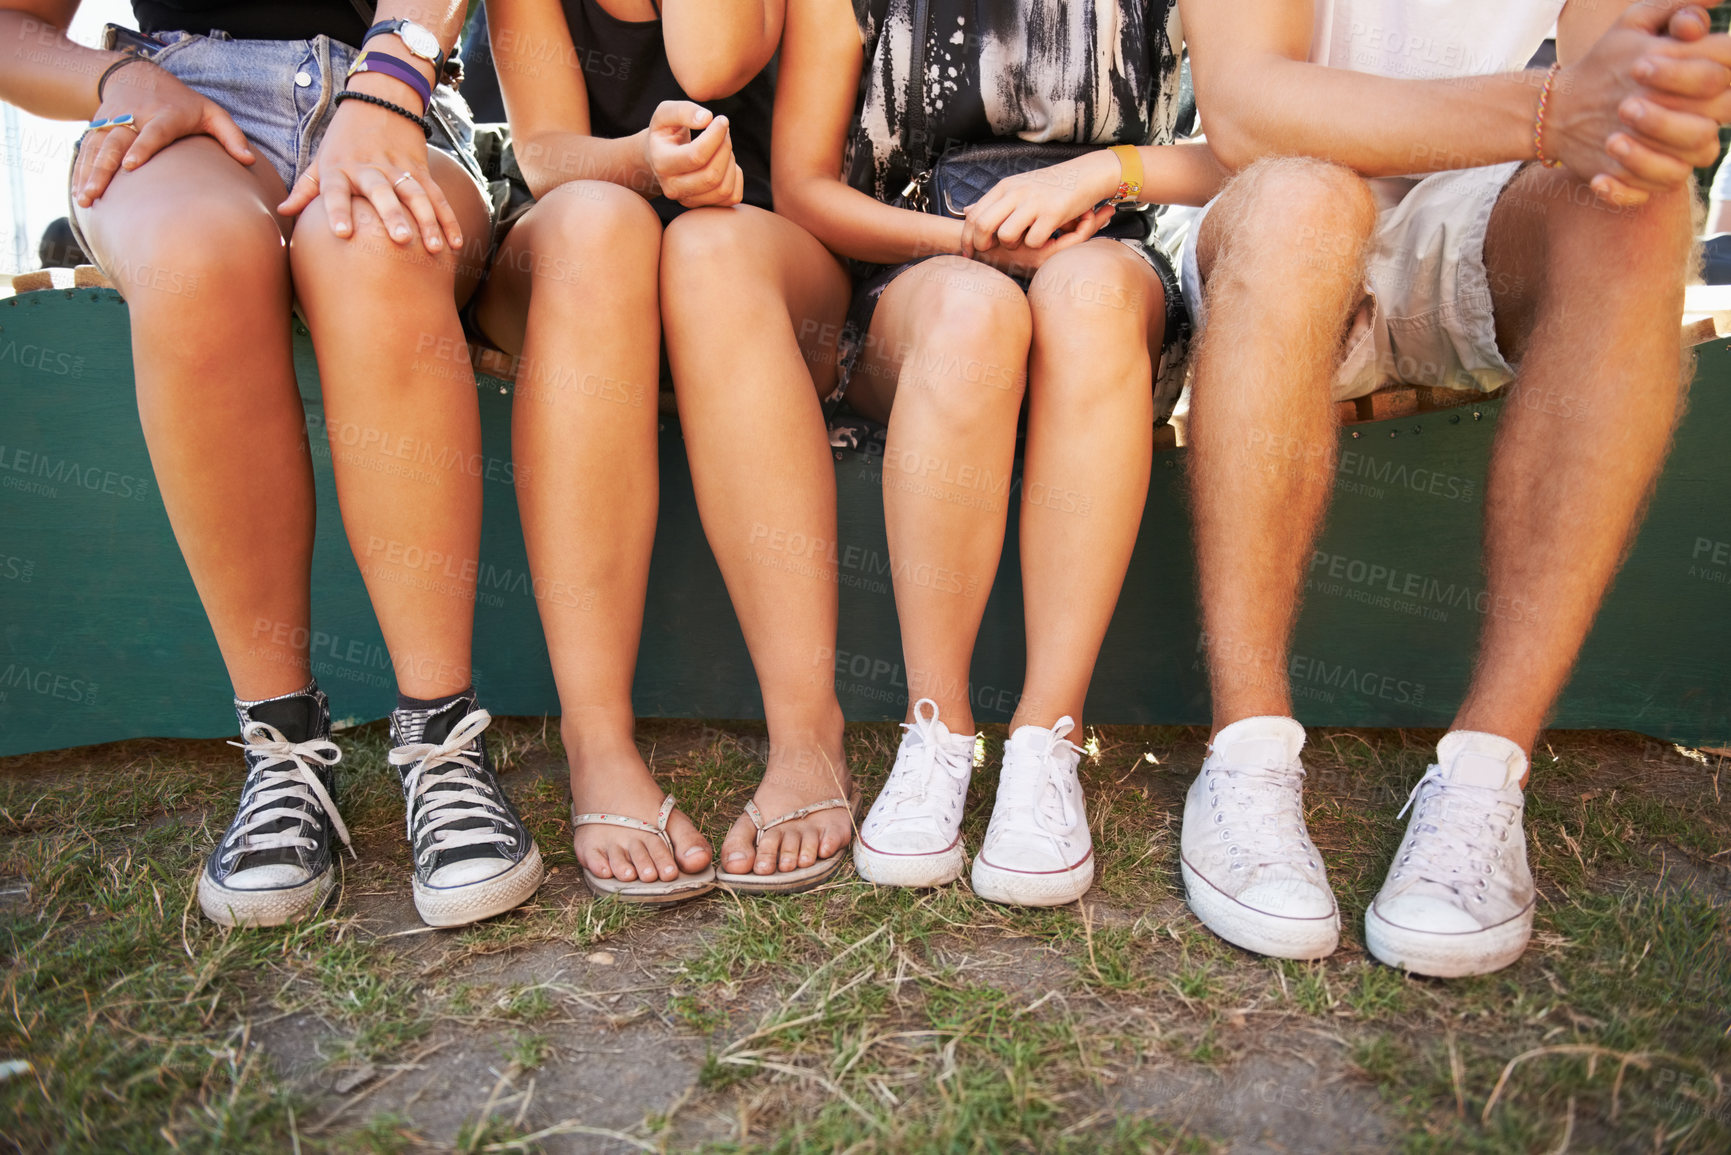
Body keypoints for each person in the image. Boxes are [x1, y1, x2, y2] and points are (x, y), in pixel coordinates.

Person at [1174, 0, 1731, 975]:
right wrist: (1555, 107)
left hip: (1477, 205)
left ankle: (1483, 780)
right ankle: (1247, 754)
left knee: (1640, 202)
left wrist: (1654, 102)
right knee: (1303, 199)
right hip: (1271, 199)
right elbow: (1246, 105)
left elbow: (1616, 112)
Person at [0, 0, 544, 928]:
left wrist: (394, 77)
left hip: (395, 88)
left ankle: (441, 739)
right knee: (194, 262)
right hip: (180, 107)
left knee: (375, 241)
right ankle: (280, 743)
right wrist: (114, 79)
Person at [664, 0, 1221, 903]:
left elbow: (1243, 144)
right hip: (916, 265)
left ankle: (1047, 738)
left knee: (1090, 304)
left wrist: (1094, 178)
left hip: (1104, 254)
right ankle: (936, 730)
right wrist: (967, 240)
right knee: (972, 311)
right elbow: (806, 188)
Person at [466, 0, 780, 901]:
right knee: (604, 224)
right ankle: (595, 740)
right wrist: (642, 161)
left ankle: (804, 736)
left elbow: (711, 56)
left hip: (750, 257)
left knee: (702, 252)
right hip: (582, 244)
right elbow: (547, 153)